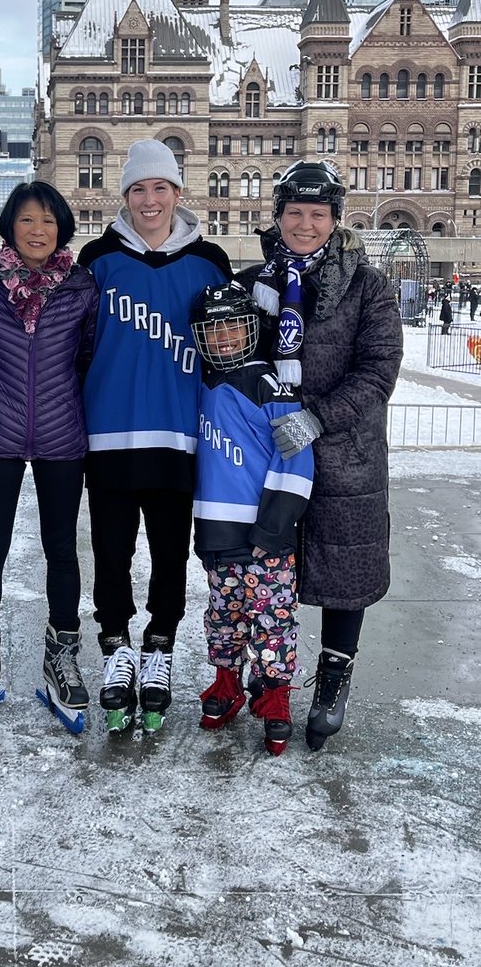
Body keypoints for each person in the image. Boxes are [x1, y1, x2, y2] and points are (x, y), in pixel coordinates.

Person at [238, 160, 403, 751]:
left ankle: (333, 678)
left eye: (318, 214)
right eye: (295, 212)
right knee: (266, 571)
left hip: (343, 453)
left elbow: (378, 370)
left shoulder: (367, 285)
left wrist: (319, 418)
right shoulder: (256, 280)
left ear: (334, 220)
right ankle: (269, 678)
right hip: (269, 452)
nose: (305, 224)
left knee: (343, 572)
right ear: (278, 215)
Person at [78, 139, 232, 733]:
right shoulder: (97, 259)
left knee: (172, 553)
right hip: (109, 434)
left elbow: (230, 351)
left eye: (159, 187)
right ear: (125, 195)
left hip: (179, 435)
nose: (149, 199)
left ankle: (160, 645)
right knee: (112, 552)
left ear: (177, 191)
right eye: (137, 189)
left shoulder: (209, 261)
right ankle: (116, 644)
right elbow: (68, 343)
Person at [0, 182, 99, 734]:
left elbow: (88, 356)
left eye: (48, 221)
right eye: (26, 221)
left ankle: (61, 654)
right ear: (10, 226)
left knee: (62, 550)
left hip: (63, 437)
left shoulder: (81, 287)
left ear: (62, 228)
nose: (38, 231)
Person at [190, 282, 313, 756]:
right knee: (224, 614)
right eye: (212, 330)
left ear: (251, 328)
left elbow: (298, 454)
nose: (222, 339)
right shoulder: (199, 382)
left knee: (273, 618)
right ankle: (227, 681)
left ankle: (274, 694)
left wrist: (275, 526)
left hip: (266, 537)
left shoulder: (272, 384)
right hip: (219, 535)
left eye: (232, 327)